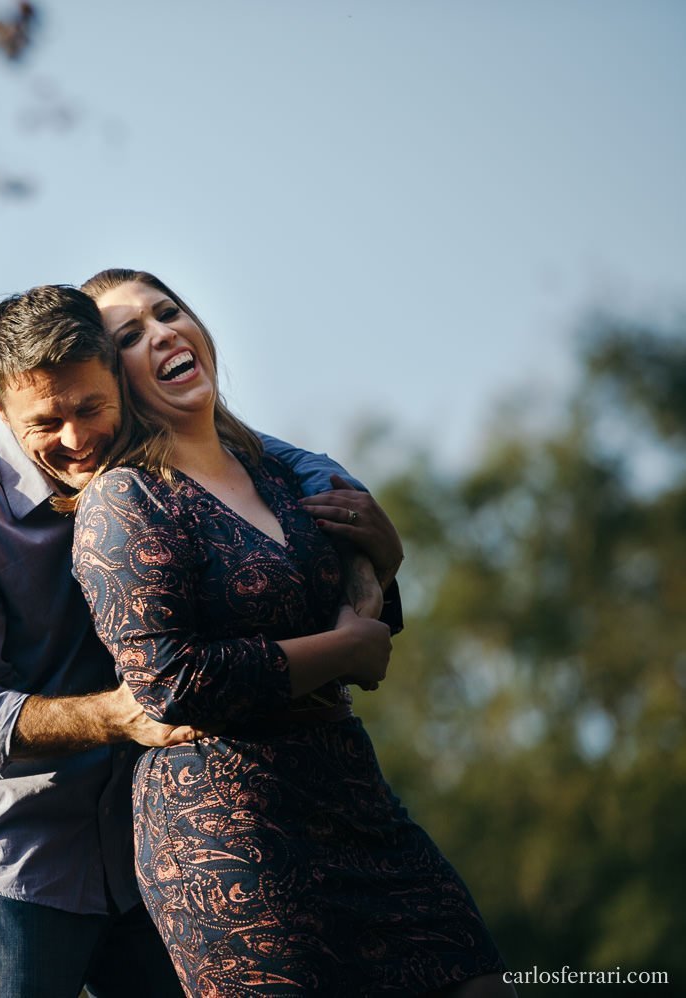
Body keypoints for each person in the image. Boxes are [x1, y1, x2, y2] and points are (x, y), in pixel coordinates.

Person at [0, 284, 404, 998]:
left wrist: (375, 548)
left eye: (90, 408)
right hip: (20, 856)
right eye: (46, 421)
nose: (75, 440)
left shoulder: (149, 461)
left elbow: (278, 459)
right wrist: (117, 714)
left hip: (146, 850)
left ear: (114, 381)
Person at [70, 268, 511, 996]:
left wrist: (381, 568)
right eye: (130, 337)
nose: (162, 334)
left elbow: (348, 599)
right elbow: (170, 680)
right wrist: (346, 649)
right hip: (231, 838)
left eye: (167, 311)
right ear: (111, 381)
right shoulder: (124, 500)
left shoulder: (277, 472)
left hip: (352, 793)